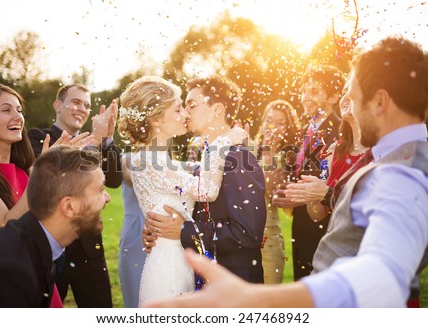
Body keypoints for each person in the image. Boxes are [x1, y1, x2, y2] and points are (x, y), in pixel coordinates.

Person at [146, 36, 428, 308]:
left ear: (380, 101)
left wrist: (264, 300)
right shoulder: (393, 159)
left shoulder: (401, 173)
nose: (347, 109)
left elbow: (382, 274)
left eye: (353, 97)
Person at [117, 75, 246, 306]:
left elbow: (195, 173)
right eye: (177, 110)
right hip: (168, 271)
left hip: (178, 261)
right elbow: (206, 190)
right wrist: (222, 142)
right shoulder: (149, 161)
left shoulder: (160, 160)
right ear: (157, 119)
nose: (185, 115)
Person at [143, 76, 267, 285]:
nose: (185, 112)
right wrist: (161, 229)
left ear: (217, 109)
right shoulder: (210, 159)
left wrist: (184, 231)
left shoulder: (239, 158)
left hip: (234, 287)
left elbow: (247, 233)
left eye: (191, 105)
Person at [0, 146, 111, 307]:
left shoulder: (37, 245)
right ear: (69, 206)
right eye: (101, 190)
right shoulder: (10, 272)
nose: (107, 198)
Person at [28, 83, 122, 307]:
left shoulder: (94, 141)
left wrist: (107, 138)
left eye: (87, 105)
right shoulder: (38, 138)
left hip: (89, 250)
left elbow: (115, 181)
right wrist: (96, 142)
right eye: (76, 102)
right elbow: (55, 180)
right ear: (58, 105)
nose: (82, 109)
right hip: (50, 250)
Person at [0, 82, 65, 308]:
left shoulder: (23, 174)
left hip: (35, 275)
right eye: (6, 110)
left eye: (19, 110)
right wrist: (40, 173)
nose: (17, 116)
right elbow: (7, 226)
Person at [273, 65, 344, 280]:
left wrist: (299, 199)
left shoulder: (340, 132)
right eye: (304, 91)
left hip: (324, 231)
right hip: (301, 226)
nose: (305, 97)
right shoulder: (306, 129)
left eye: (314, 91)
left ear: (333, 97)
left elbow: (337, 185)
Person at [284, 76, 369, 222]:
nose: (347, 96)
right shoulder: (333, 150)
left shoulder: (381, 152)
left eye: (353, 91)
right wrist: (311, 195)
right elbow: (317, 214)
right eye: (345, 91)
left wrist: (326, 194)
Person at [253, 99, 300, 283]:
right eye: (270, 120)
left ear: (288, 128)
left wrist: (269, 153)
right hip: (244, 240)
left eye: (281, 123)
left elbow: (274, 194)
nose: (273, 126)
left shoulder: (287, 157)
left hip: (269, 240)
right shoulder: (248, 150)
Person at [118, 153, 146, 308]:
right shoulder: (127, 158)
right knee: (135, 297)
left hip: (165, 233)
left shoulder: (166, 159)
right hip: (136, 233)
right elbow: (134, 179)